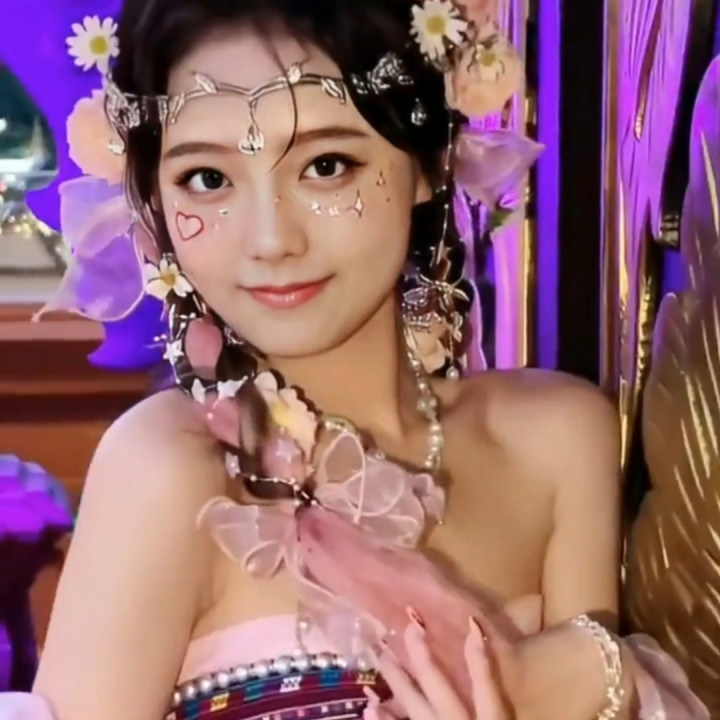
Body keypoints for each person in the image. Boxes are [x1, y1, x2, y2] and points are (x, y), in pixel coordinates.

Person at [0, 1, 708, 719]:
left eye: (326, 166)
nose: (271, 240)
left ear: (428, 163)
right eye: (208, 179)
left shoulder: (555, 440)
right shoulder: (168, 470)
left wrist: (588, 672)